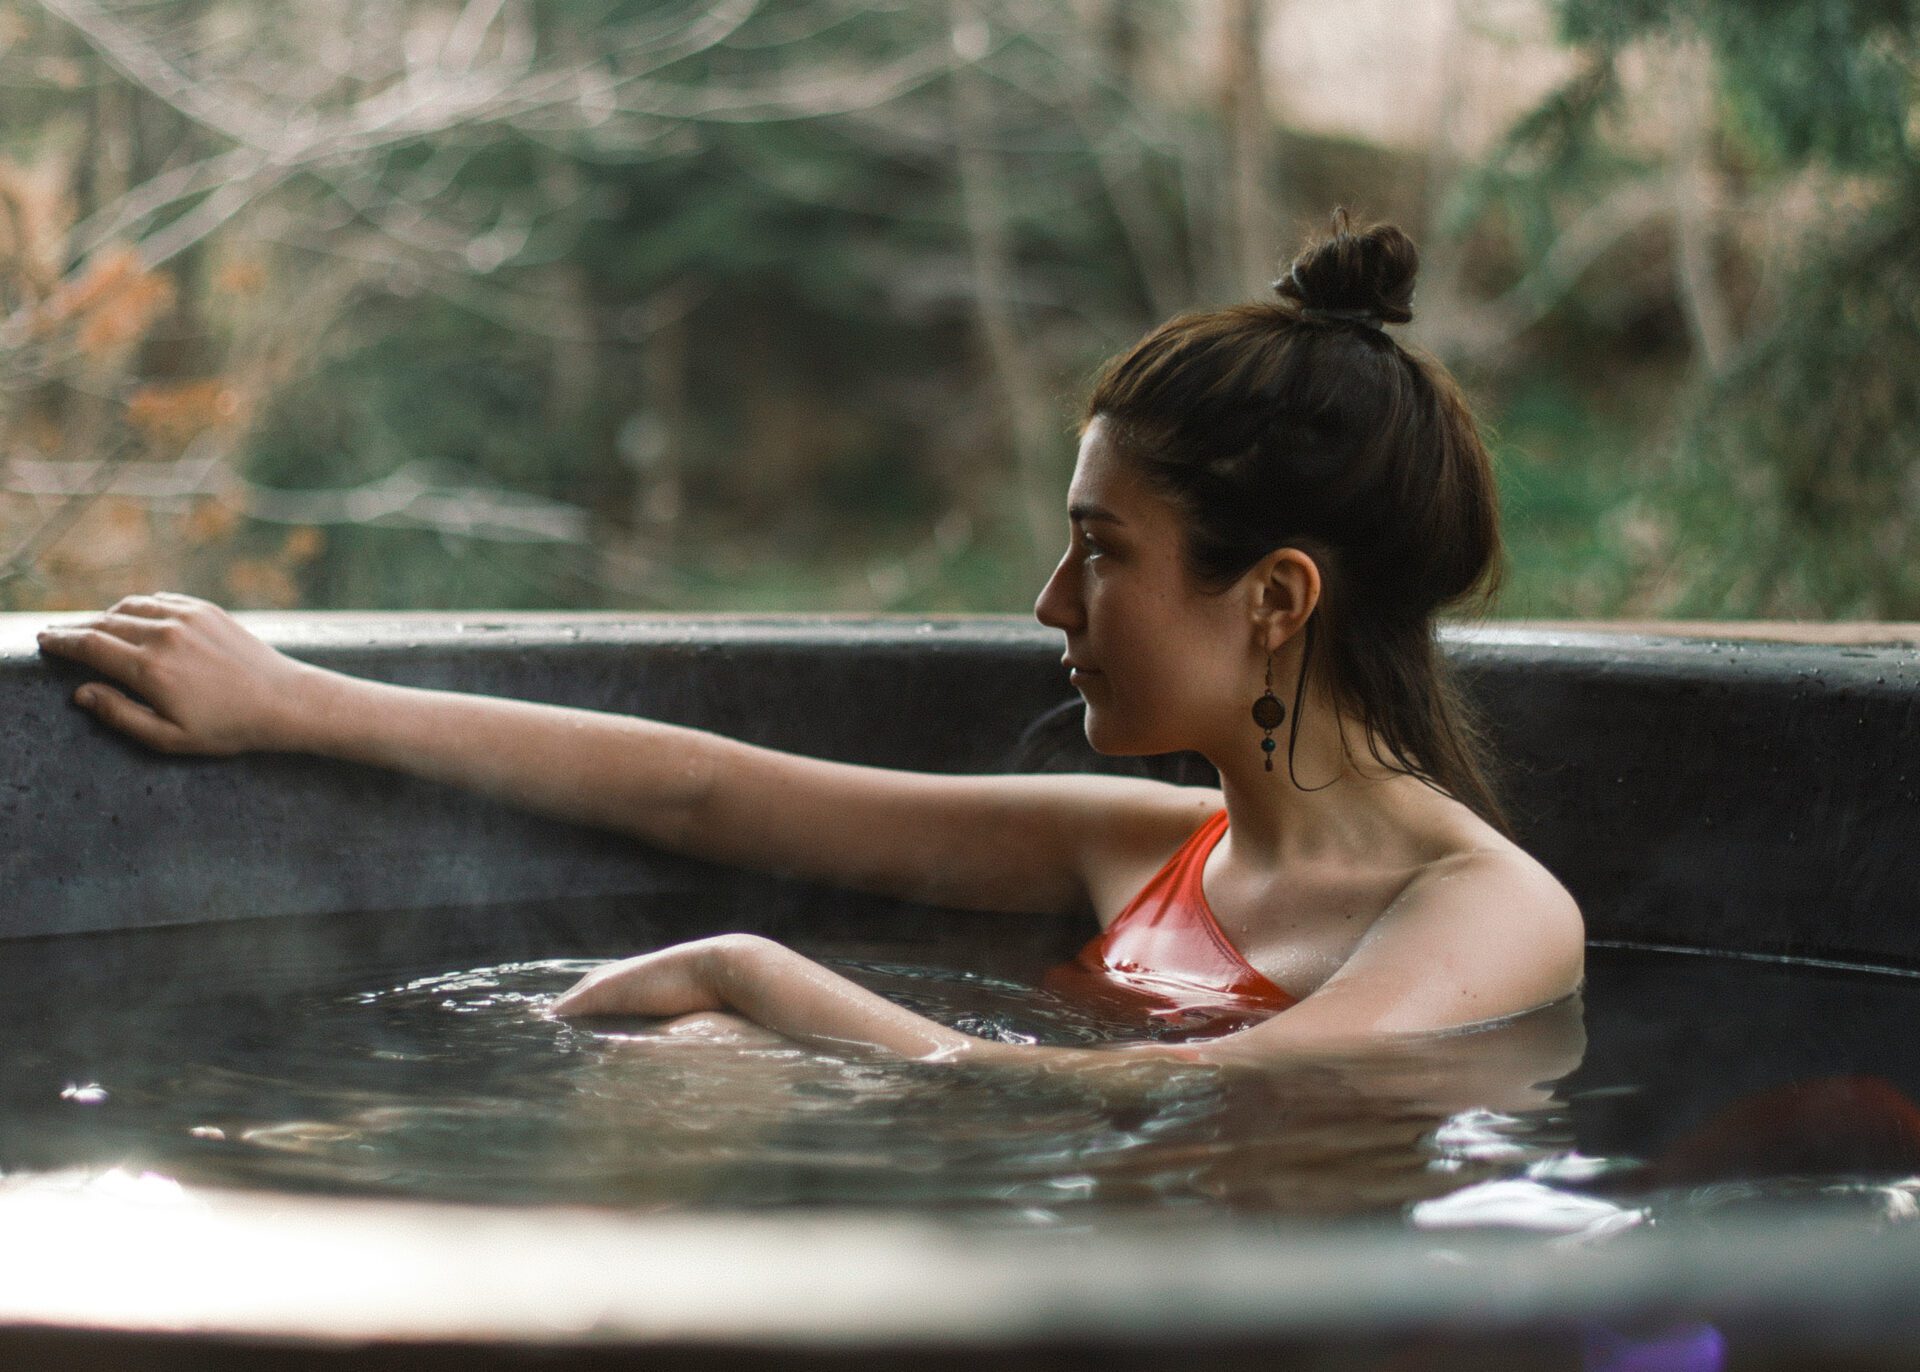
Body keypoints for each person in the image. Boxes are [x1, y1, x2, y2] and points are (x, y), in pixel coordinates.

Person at [35, 211, 1583, 1069]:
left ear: (1275, 600)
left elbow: (1136, 1108)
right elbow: (705, 796)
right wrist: (295, 703)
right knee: (693, 1053)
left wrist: (751, 967)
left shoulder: (1492, 917)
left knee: (714, 1022)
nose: (1051, 603)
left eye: (1101, 553)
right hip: (1076, 1266)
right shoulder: (1155, 844)